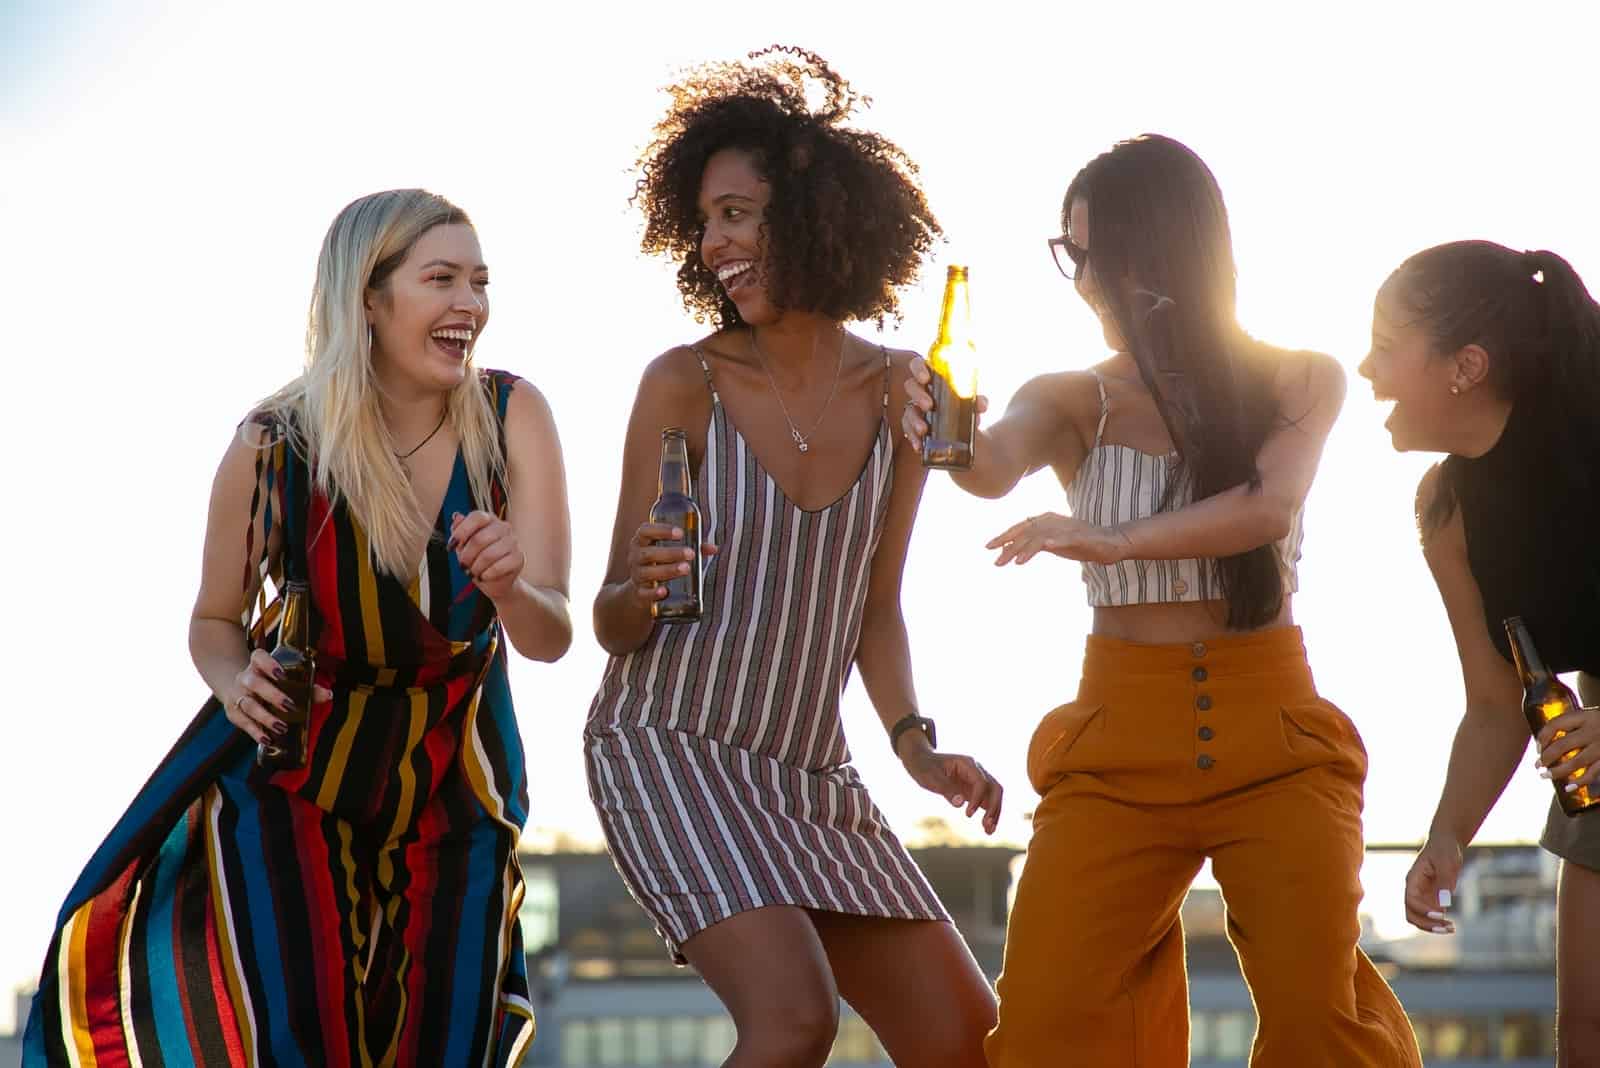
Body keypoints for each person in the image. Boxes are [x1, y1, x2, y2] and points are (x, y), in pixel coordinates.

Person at [904, 134, 1422, 1066]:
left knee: (1318, 1023)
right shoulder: (1072, 397)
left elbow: (1266, 509)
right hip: (1115, 747)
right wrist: (942, 423)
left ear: (1171, 249)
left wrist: (1109, 541)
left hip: (1278, 742)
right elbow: (987, 467)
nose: (1084, 283)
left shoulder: (1299, 378)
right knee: (1045, 1024)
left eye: (1097, 256)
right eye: (1071, 256)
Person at [24, 189, 573, 1066]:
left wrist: (510, 584)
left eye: (479, 281)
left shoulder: (512, 417)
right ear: (369, 295)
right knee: (302, 1043)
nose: (470, 303)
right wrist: (233, 680)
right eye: (441, 279)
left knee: (455, 1042)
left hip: (457, 782)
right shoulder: (273, 443)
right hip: (296, 782)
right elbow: (213, 621)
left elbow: (549, 634)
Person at [584, 47, 1001, 1068]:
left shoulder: (904, 392)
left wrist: (914, 745)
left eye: (737, 212)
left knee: (967, 1038)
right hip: (665, 744)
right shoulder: (682, 383)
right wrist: (638, 584)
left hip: (811, 772)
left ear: (815, 217)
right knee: (793, 1022)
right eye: (706, 221)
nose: (715, 240)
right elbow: (609, 618)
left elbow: (874, 611)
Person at [1360, 239, 1600, 1064]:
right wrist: (1446, 836)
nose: (1365, 369)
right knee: (1587, 1036)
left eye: (1386, 350)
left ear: (1465, 366)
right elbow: (1496, 707)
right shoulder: (1448, 513)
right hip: (1596, 758)